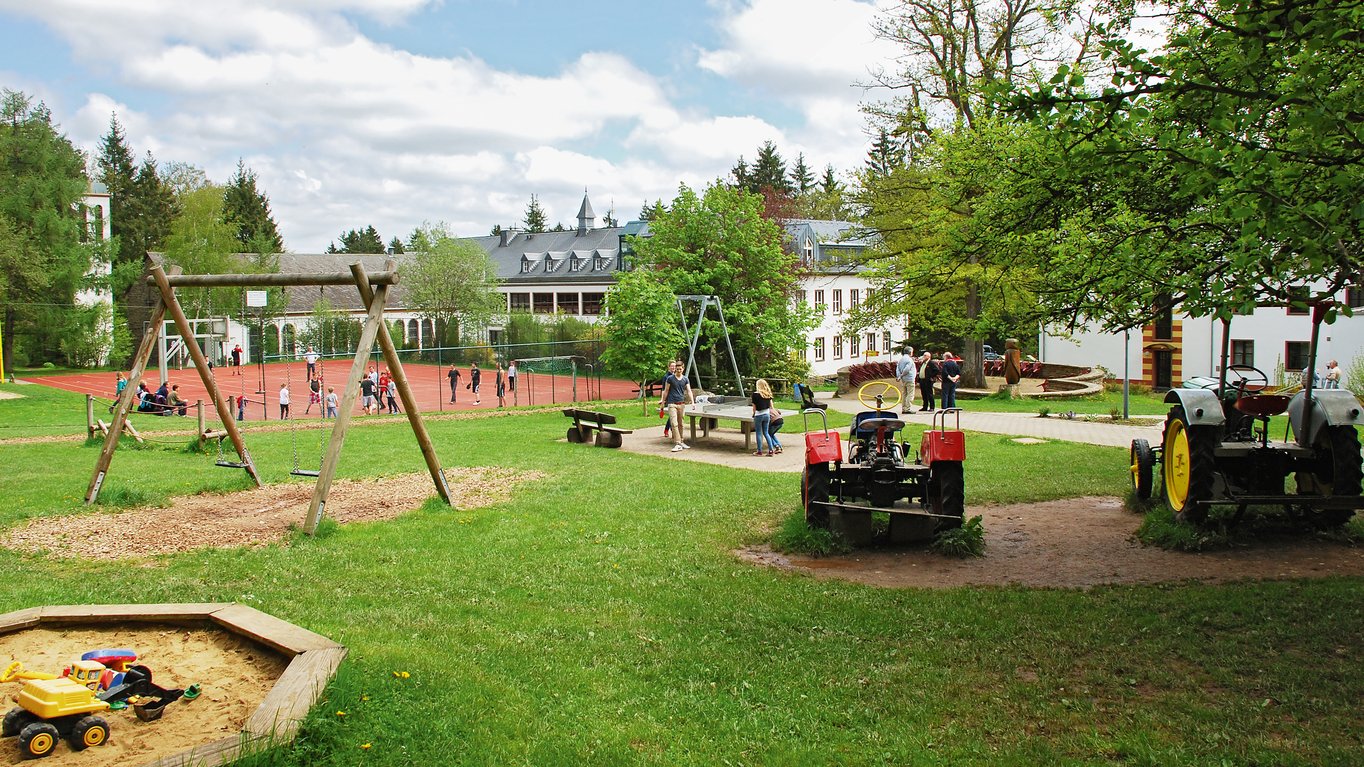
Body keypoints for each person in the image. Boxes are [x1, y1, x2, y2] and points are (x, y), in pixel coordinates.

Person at [658, 360, 693, 452]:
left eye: (680, 369)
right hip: (672, 403)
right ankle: (677, 443)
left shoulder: (685, 379)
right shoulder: (670, 378)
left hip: (681, 404)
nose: (678, 371)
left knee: (681, 424)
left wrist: (693, 402)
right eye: (677, 369)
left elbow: (689, 390)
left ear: (683, 369)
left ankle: (681, 441)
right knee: (674, 423)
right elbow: (666, 391)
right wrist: (662, 402)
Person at [751, 378, 777, 456]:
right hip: (767, 415)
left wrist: (753, 414)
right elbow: (771, 406)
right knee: (766, 433)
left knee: (759, 433)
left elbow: (754, 407)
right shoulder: (767, 394)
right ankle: (771, 450)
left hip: (759, 415)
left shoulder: (755, 395)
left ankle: (759, 451)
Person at [895, 346, 917, 414]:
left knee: (904, 393)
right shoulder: (909, 360)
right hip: (909, 378)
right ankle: (907, 408)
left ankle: (904, 408)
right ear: (910, 352)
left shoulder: (901, 359)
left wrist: (899, 376)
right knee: (910, 394)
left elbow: (897, 369)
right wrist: (901, 375)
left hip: (903, 379)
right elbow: (907, 369)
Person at [660, 361, 676, 438]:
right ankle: (668, 429)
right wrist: (662, 400)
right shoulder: (666, 377)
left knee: (673, 415)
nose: (673, 368)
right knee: (672, 415)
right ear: (669, 367)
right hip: (669, 398)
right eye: (672, 366)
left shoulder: (676, 376)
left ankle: (670, 429)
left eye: (674, 366)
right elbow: (663, 389)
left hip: (675, 398)